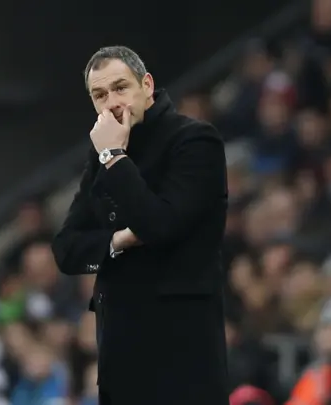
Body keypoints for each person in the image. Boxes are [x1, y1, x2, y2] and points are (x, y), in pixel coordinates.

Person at [51, 46, 229, 405]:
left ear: (146, 85)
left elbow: (160, 225)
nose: (112, 102)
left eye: (121, 87)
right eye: (99, 95)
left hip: (182, 356)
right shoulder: (100, 152)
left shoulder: (195, 141)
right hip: (120, 353)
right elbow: (66, 248)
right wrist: (117, 241)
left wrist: (115, 157)